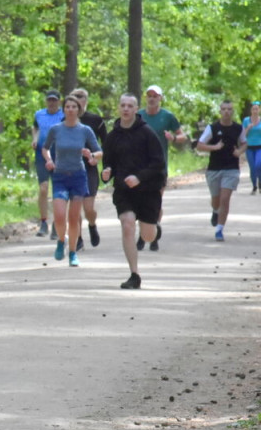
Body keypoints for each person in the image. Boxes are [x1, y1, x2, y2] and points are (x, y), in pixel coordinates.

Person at [101, 94, 166, 289]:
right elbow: (108, 162)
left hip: (148, 190)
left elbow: (158, 163)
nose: (126, 109)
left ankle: (154, 229)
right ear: (118, 108)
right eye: (123, 105)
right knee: (127, 224)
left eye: (130, 106)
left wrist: (139, 177)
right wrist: (106, 172)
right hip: (124, 190)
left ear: (136, 109)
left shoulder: (147, 133)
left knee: (147, 236)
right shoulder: (113, 136)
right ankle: (134, 274)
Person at [42, 94, 102, 267]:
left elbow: (99, 152)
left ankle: (73, 253)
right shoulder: (56, 129)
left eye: (73, 107)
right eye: (67, 107)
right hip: (60, 176)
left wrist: (91, 156)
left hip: (78, 176)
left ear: (79, 110)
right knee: (60, 216)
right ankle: (62, 240)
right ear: (63, 109)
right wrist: (49, 160)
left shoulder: (85, 130)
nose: (70, 110)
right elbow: (45, 148)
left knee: (73, 217)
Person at [136, 85, 187, 250]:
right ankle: (143, 235)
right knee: (141, 201)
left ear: (160, 98)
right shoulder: (139, 116)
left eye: (155, 96)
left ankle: (154, 232)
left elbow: (183, 136)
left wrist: (173, 137)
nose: (152, 98)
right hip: (140, 166)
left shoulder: (167, 117)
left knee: (155, 201)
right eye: (149, 95)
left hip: (159, 166)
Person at [196, 99, 247, 241]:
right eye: (224, 109)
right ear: (220, 111)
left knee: (225, 199)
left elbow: (244, 143)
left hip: (231, 168)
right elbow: (200, 145)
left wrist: (240, 151)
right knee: (216, 199)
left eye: (229, 109)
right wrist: (214, 147)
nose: (226, 112)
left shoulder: (238, 128)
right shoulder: (212, 128)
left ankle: (219, 229)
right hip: (214, 169)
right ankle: (215, 211)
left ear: (232, 111)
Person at [70, 88, 109, 249]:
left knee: (88, 208)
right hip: (71, 168)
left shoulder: (95, 120)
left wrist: (100, 160)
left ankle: (92, 224)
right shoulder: (64, 121)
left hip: (90, 168)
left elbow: (106, 145)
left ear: (86, 100)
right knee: (75, 206)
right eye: (74, 97)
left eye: (81, 97)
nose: (77, 100)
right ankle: (78, 238)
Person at [32, 90, 64, 237]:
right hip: (41, 154)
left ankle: (56, 225)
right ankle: (43, 222)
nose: (52, 103)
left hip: (59, 155)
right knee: (44, 188)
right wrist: (34, 139)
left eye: (54, 100)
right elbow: (35, 128)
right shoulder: (39, 114)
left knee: (58, 191)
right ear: (46, 101)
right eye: (49, 100)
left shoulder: (63, 114)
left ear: (58, 101)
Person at [242, 101, 261, 194]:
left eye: (257, 109)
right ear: (251, 110)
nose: (255, 111)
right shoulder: (246, 120)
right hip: (249, 147)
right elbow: (243, 135)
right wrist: (248, 128)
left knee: (258, 165)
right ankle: (254, 186)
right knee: (252, 168)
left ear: (259, 110)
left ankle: (260, 182)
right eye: (253, 109)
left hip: (259, 147)